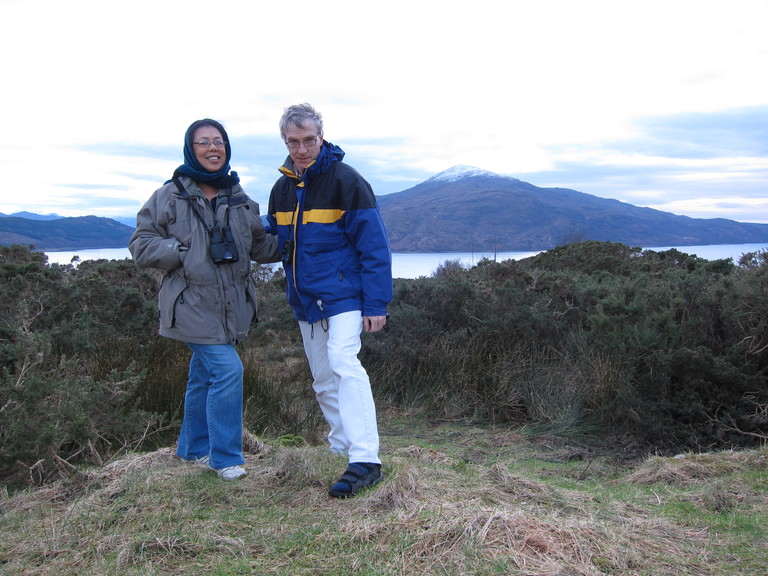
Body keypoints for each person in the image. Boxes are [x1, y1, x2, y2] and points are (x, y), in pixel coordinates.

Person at [129, 118, 279, 480]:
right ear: (190, 149)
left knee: (202, 377)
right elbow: (140, 245)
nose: (214, 148)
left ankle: (191, 448)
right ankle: (226, 459)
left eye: (219, 141)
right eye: (204, 142)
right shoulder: (169, 196)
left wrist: (303, 241)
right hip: (189, 305)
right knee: (228, 370)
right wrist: (182, 251)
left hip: (231, 307)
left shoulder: (241, 198)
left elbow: (260, 246)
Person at [266, 103, 393, 498]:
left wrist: (376, 304)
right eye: (294, 142)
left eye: (309, 141)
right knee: (322, 380)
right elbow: (274, 243)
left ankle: (365, 458)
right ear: (285, 142)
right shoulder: (282, 189)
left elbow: (374, 246)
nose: (302, 149)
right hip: (306, 302)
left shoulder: (346, 181)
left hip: (344, 296)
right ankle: (339, 446)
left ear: (321, 138)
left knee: (343, 361)